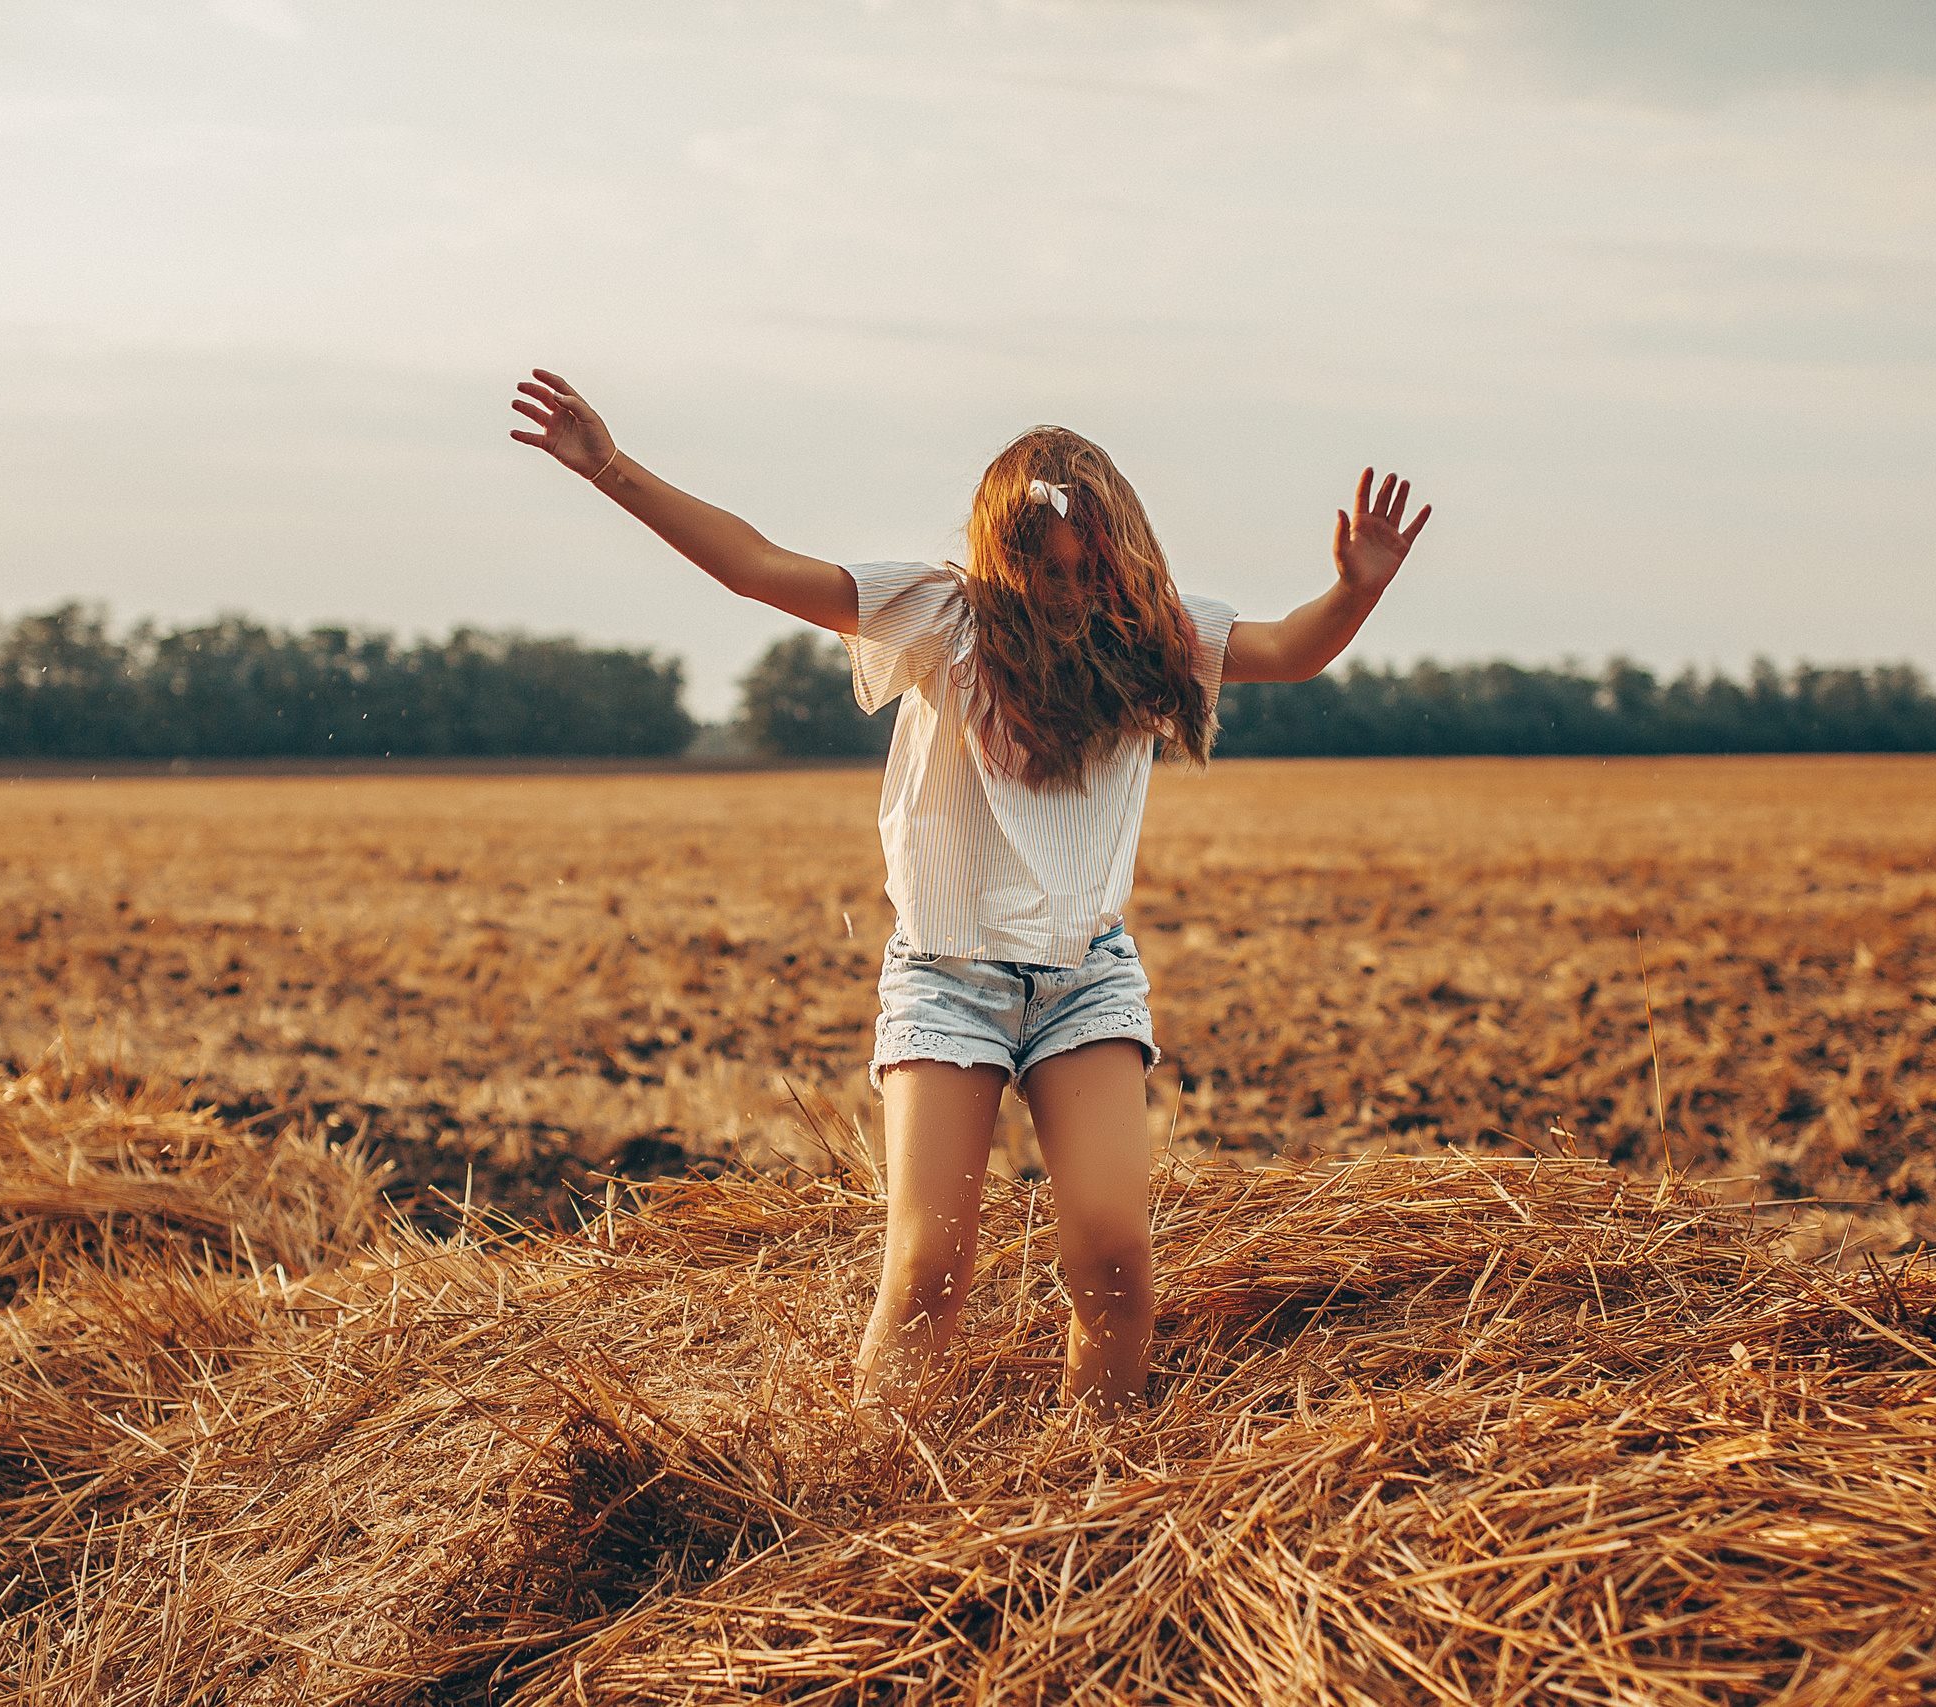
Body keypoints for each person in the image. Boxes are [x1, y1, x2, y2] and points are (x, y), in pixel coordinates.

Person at [509, 370, 1430, 1419]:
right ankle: (873, 1497)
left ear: (1122, 553)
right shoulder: (943, 619)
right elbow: (756, 569)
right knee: (930, 1273)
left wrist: (1356, 592)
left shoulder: (1159, 637)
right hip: (946, 981)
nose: (1070, 590)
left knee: (1118, 1262)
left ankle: (1105, 1484)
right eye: (1047, 569)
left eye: (1089, 570)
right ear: (1006, 558)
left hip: (1085, 981)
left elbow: (1287, 649)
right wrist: (610, 468)